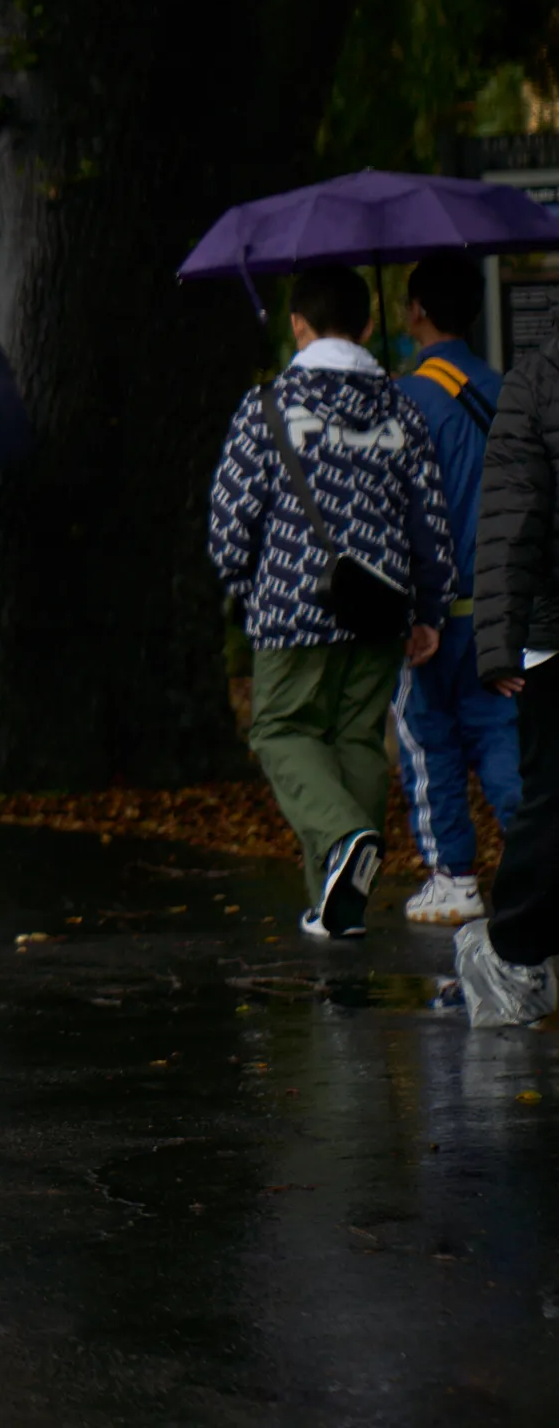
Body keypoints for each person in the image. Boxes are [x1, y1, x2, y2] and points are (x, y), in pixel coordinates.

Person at [206, 265, 448, 940]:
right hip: (381, 605)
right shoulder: (402, 409)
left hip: (292, 604)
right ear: (368, 326)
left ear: (297, 326)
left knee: (280, 731)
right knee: (357, 739)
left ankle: (343, 838)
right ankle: (336, 906)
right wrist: (428, 608)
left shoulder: (267, 408)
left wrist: (243, 586)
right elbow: (429, 518)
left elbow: (231, 520)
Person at [389, 256, 517, 925]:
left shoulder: (406, 401)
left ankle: (454, 876)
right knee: (502, 734)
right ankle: (540, 856)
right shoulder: (506, 388)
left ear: (415, 310)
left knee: (430, 737)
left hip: (437, 611)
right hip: (508, 605)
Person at [463, 317, 559, 1023]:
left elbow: (511, 518)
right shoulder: (535, 381)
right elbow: (511, 518)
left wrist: (499, 640)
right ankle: (517, 950)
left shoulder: (536, 380)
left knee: (551, 797)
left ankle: (517, 955)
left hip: (552, 633)